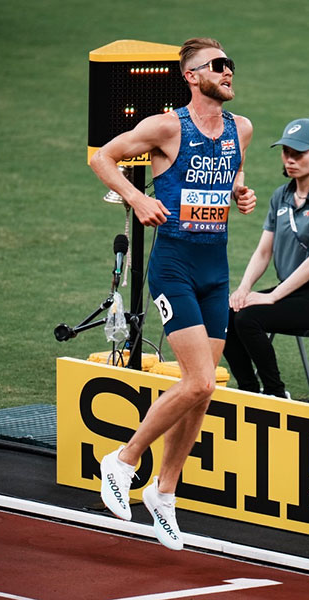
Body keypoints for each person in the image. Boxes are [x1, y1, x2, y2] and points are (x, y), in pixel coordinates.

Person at [89, 37, 255, 550]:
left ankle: (165, 491)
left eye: (231, 65)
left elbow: (231, 170)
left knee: (200, 390)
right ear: (191, 76)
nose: (228, 72)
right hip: (174, 268)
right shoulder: (166, 127)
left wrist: (238, 190)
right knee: (201, 382)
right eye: (217, 66)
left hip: (215, 271)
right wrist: (138, 198)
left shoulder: (240, 128)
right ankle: (121, 461)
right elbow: (104, 159)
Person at [224, 118, 309, 398]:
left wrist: (273, 296)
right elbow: (263, 251)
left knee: (248, 319)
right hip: (292, 293)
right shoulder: (282, 196)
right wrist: (244, 289)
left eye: (299, 154)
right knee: (227, 314)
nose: (290, 160)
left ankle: (276, 395)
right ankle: (249, 391)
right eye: (286, 152)